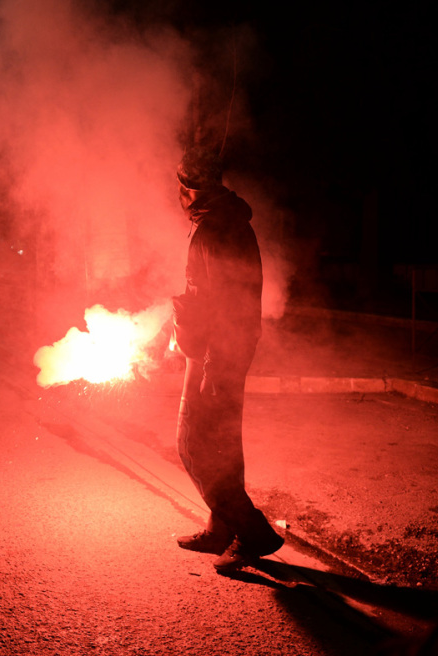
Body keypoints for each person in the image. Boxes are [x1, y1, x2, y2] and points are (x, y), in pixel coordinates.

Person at [171, 147, 284, 573]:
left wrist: (211, 362)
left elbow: (225, 303)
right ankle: (222, 528)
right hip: (218, 351)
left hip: (217, 354)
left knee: (194, 446)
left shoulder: (215, 230)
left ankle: (253, 533)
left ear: (188, 188)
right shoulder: (225, 223)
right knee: (222, 443)